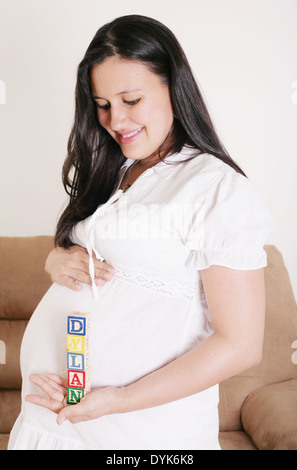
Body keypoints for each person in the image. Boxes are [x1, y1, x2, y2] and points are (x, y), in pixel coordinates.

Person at [8, 14, 274, 450]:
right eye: (102, 104)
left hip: (137, 432)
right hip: (53, 419)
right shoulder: (116, 169)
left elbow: (240, 345)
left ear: (174, 87)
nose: (116, 120)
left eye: (131, 99)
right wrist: (55, 257)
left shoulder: (216, 188)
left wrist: (118, 399)